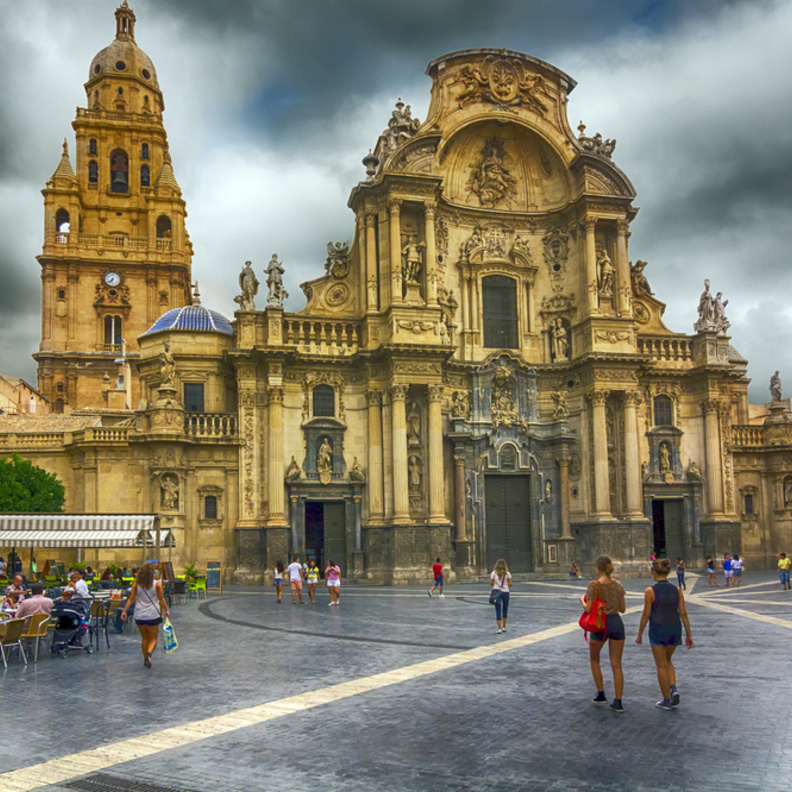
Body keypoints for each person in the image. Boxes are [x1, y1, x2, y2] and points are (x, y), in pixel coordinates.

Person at [635, 558, 694, 710]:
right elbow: (684, 614)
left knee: (661, 665)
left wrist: (639, 634)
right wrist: (689, 634)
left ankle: (666, 700)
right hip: (674, 629)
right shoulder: (677, 590)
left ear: (654, 572)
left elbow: (646, 614)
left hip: (658, 630)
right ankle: (673, 688)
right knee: (668, 660)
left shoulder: (650, 591)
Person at [581, 555, 627, 713]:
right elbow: (623, 609)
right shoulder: (618, 585)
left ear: (597, 568)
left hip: (600, 625)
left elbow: (588, 609)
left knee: (594, 659)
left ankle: (601, 693)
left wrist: (582, 600)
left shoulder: (593, 585)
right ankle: (618, 701)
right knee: (617, 665)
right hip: (616, 623)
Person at [120, 562, 170, 669]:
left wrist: (124, 611)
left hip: (139, 615)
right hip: (153, 615)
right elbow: (161, 599)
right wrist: (166, 610)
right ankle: (149, 654)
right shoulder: (157, 584)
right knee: (153, 639)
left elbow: (131, 599)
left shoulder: (136, 585)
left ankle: (145, 658)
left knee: (144, 638)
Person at [490, 558, 512, 635]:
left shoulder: (493, 573)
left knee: (498, 609)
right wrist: (505, 583)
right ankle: (504, 627)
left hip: (496, 592)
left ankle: (499, 628)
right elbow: (510, 584)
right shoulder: (507, 573)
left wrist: (497, 583)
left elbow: (491, 583)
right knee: (505, 609)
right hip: (505, 592)